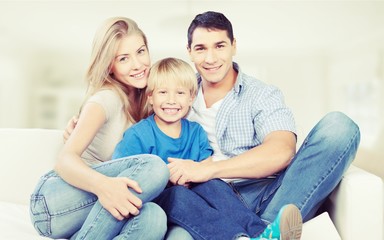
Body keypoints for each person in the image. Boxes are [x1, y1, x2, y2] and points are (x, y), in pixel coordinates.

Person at [64, 11, 361, 240]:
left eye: (219, 46)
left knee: (339, 126)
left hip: (264, 192)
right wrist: (81, 129)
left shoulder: (261, 94)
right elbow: (134, 123)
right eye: (201, 48)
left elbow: (281, 150)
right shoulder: (176, 91)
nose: (210, 58)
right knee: (178, 210)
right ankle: (264, 233)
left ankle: (262, 228)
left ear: (233, 46)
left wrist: (208, 169)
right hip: (199, 202)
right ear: (189, 52)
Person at [113, 57, 303, 240]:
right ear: (150, 98)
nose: (171, 100)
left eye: (180, 93)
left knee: (214, 184)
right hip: (156, 202)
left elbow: (204, 168)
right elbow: (122, 175)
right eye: (163, 93)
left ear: (190, 99)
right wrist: (165, 179)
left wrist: (195, 176)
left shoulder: (195, 132)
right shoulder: (138, 135)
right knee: (178, 194)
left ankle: (261, 234)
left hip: (194, 201)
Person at [29, 17, 169, 240]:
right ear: (109, 66)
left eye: (141, 52)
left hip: (88, 215)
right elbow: (64, 160)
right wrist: (105, 186)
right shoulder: (106, 100)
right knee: (155, 168)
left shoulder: (152, 101)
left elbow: (184, 88)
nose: (138, 64)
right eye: (124, 58)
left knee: (154, 217)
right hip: (55, 201)